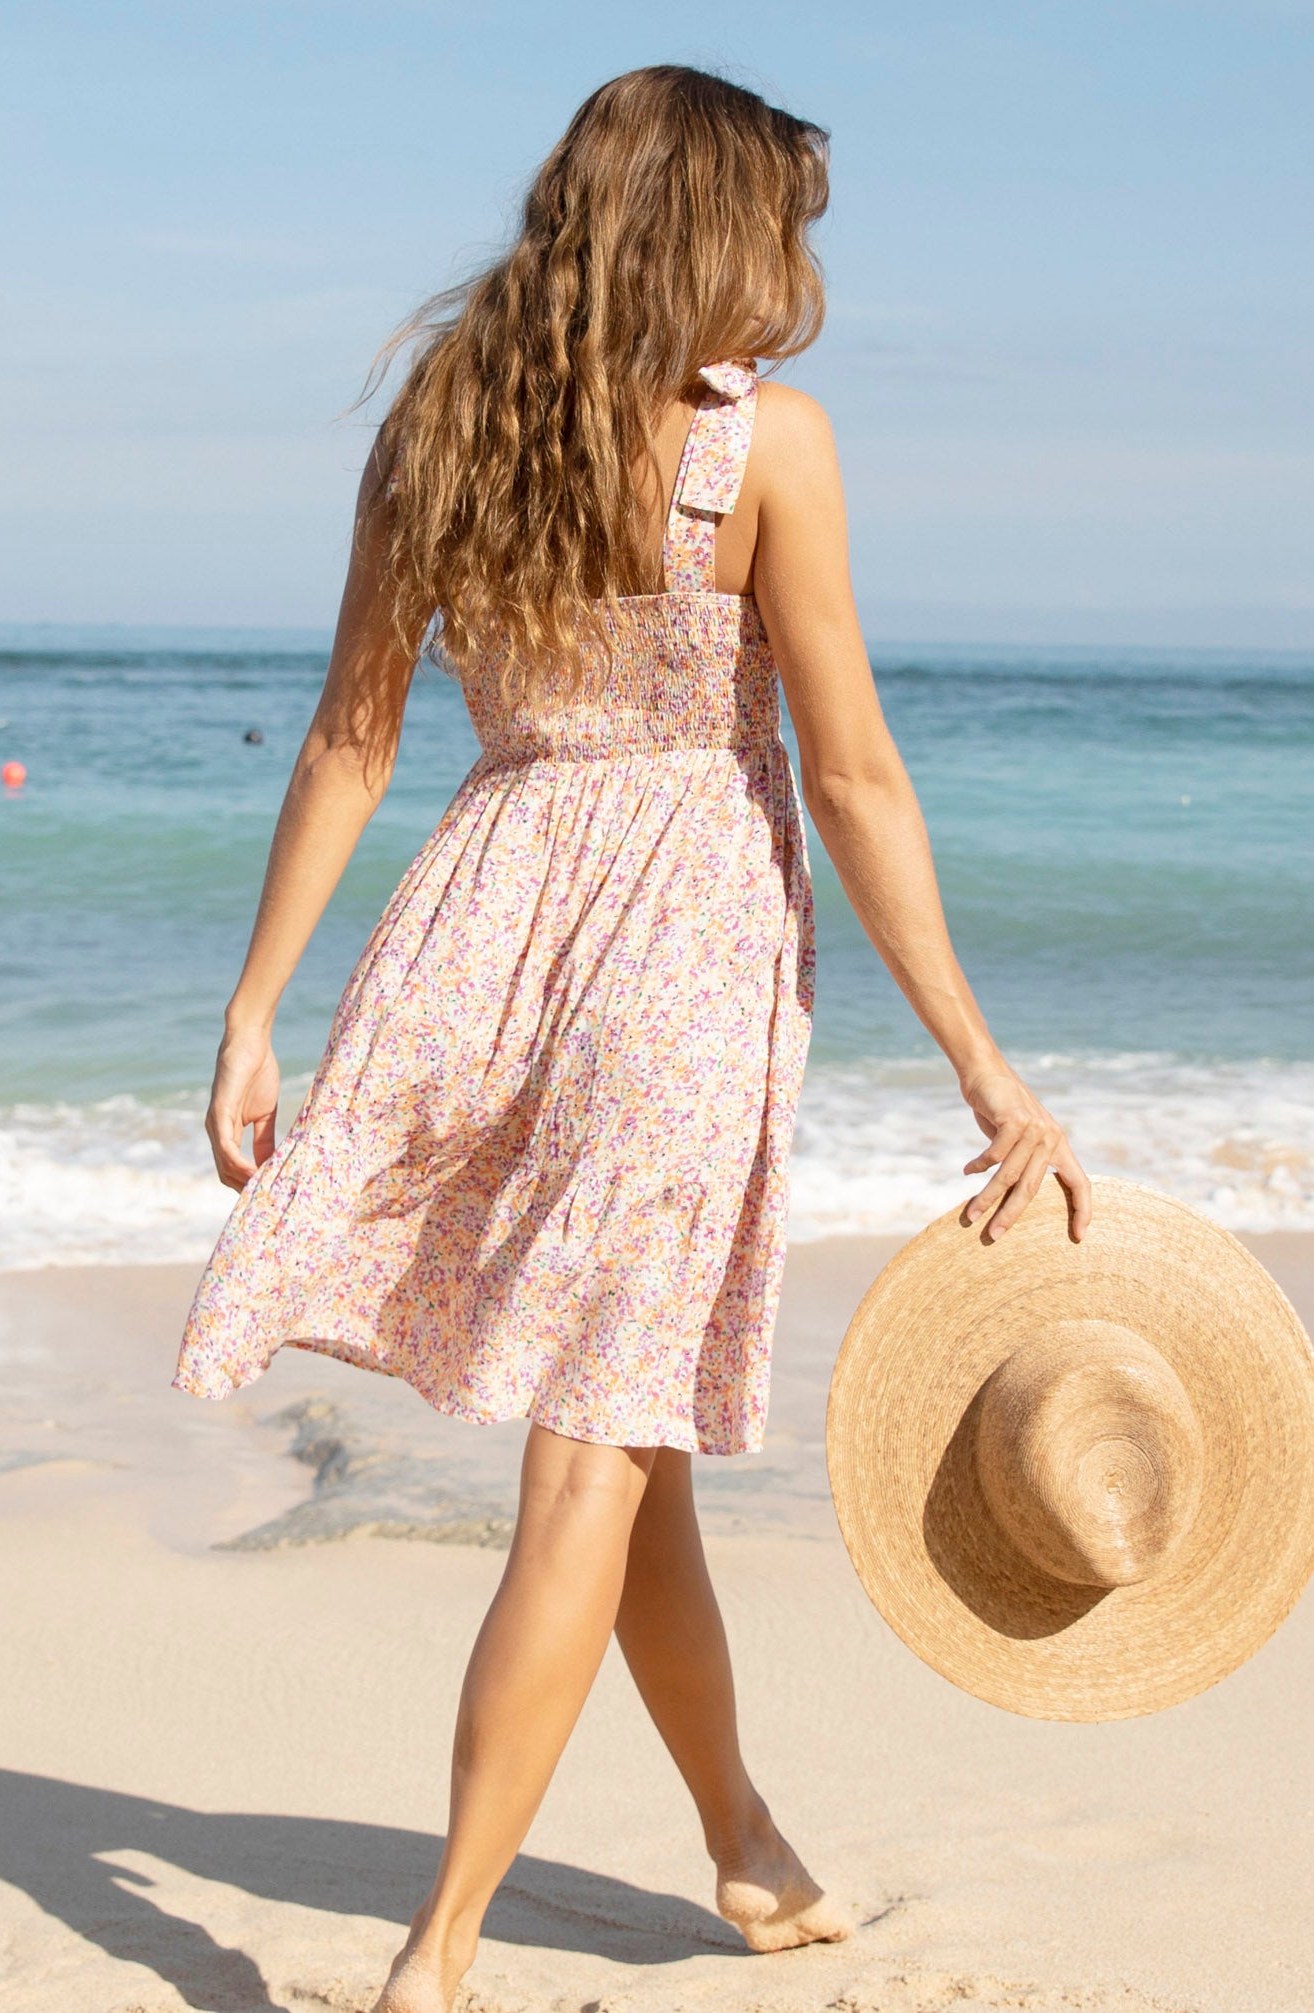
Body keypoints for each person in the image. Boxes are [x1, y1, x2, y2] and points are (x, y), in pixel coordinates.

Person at [173, 64, 1091, 2013]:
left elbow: (353, 737)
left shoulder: (447, 420)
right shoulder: (771, 450)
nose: (802, 266)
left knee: (629, 1416)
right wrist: (987, 1065)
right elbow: (848, 773)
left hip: (490, 915)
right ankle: (439, 1949)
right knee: (593, 1450)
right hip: (682, 948)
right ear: (716, 226)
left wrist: (259, 1004)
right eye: (786, 222)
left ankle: (745, 1837)